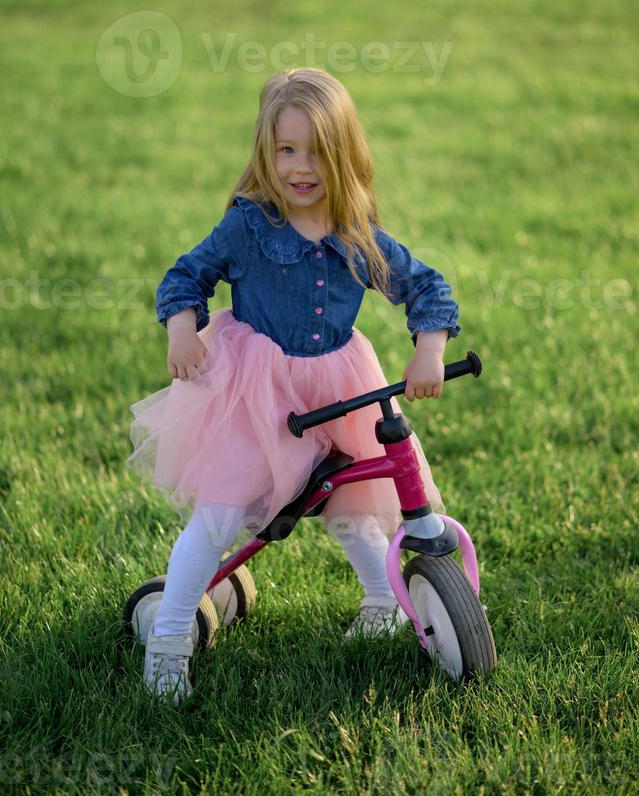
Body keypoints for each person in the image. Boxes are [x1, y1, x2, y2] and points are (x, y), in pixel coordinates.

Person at [126, 67, 461, 705]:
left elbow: (425, 287)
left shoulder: (355, 233)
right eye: (286, 149)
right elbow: (186, 276)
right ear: (266, 151)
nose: (300, 167)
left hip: (337, 389)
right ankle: (169, 637)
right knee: (220, 514)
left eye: (317, 152)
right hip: (255, 391)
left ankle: (382, 603)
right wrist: (181, 330)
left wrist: (430, 347)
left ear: (345, 157)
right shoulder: (249, 226)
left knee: (356, 504)